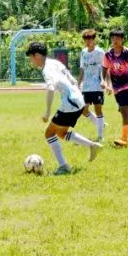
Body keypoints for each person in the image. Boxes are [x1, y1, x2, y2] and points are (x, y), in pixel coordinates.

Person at [25, 42, 102, 175]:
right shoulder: (55, 62)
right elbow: (71, 78)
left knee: (49, 133)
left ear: (37, 55)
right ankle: (92, 145)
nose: (31, 61)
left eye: (31, 58)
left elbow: (50, 88)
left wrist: (47, 112)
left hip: (69, 103)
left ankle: (64, 166)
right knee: (61, 133)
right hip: (78, 99)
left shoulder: (46, 69)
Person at [78, 29, 107, 142]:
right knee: (83, 110)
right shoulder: (83, 52)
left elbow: (103, 68)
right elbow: (82, 69)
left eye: (90, 39)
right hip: (86, 86)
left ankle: (100, 136)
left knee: (98, 109)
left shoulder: (100, 52)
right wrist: (79, 82)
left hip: (97, 86)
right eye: (85, 39)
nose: (87, 41)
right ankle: (100, 124)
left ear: (94, 39)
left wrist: (103, 81)